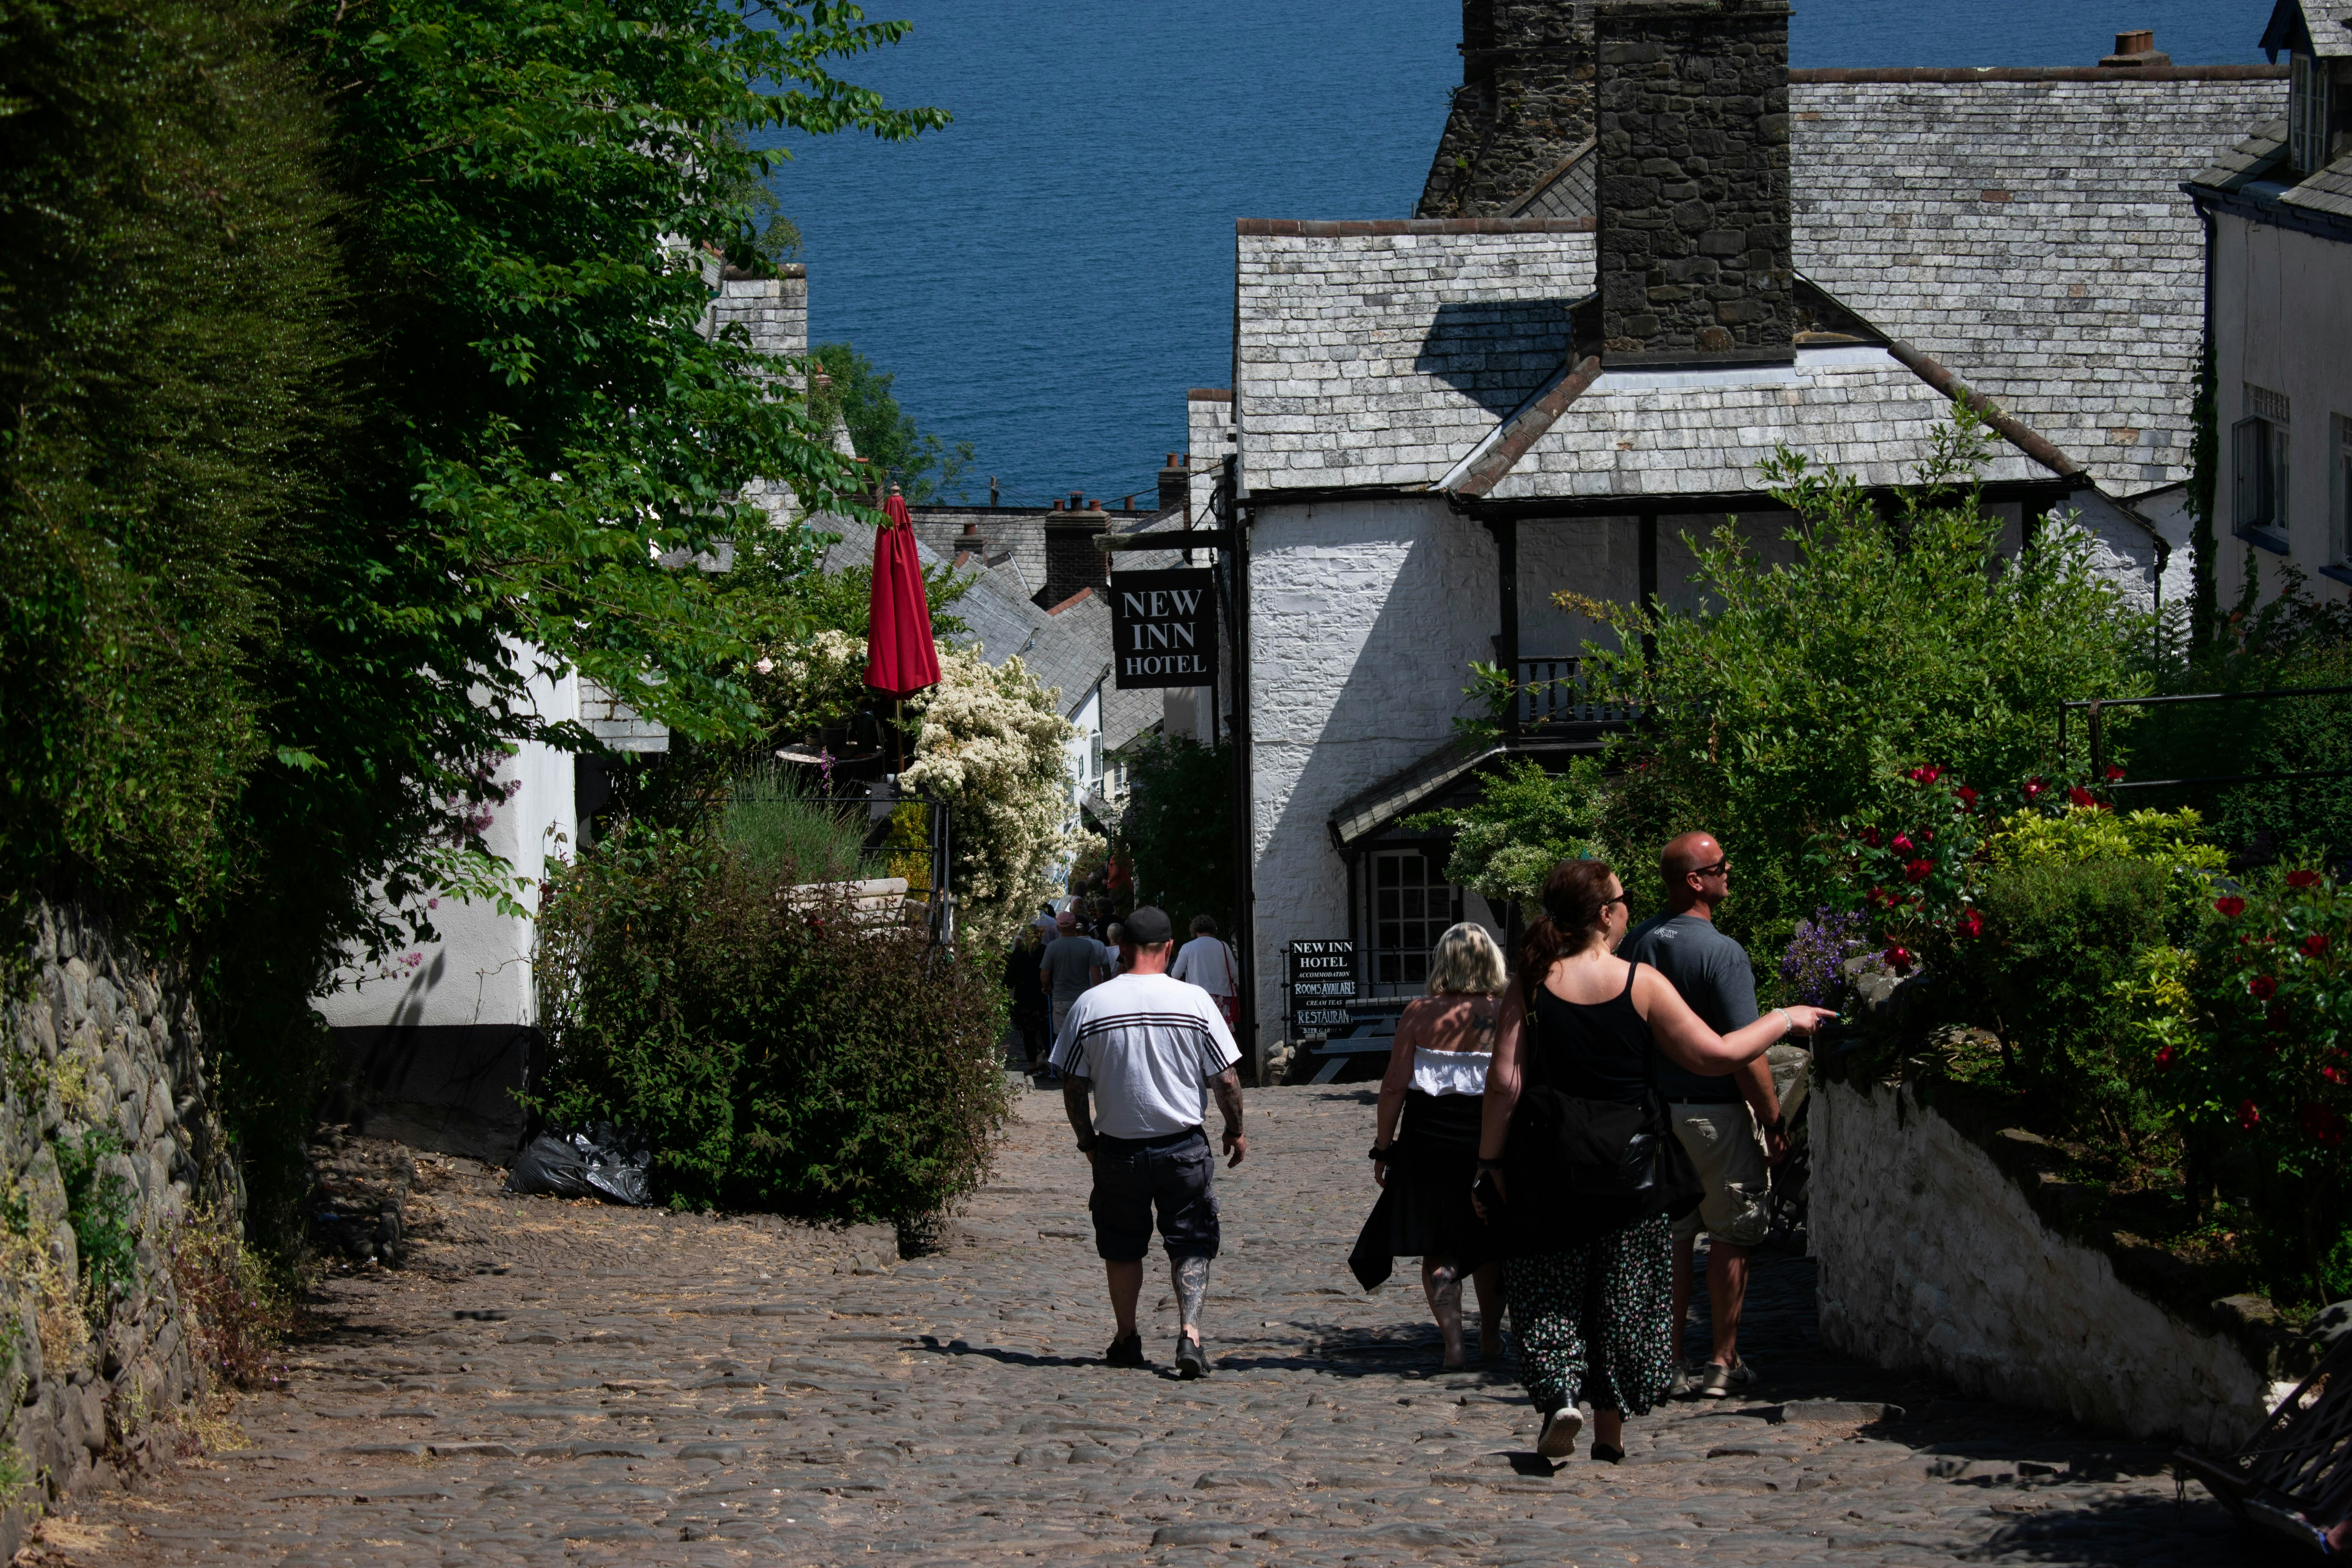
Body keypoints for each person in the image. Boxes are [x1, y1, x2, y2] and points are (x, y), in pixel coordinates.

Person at [1476, 859, 1832, 1464]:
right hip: (1629, 1165)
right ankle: (1609, 1439)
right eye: (1623, 898)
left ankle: (1561, 1393)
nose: (1626, 907)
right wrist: (1783, 1019)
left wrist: (1491, 1163)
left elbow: (1505, 1084)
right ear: (1606, 914)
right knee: (1621, 1298)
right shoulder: (1640, 983)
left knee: (1550, 1287)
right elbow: (1715, 1055)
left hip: (1547, 1162)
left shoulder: (1531, 982)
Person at [1051, 905, 1247, 1378]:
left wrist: (1088, 1144)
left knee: (1121, 1246)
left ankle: (1127, 1336)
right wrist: (1235, 1130)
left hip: (1118, 1149)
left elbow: (1073, 1086)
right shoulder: (1195, 1002)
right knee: (1191, 1241)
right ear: (1169, 949)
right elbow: (1225, 1078)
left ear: (1120, 948)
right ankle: (1190, 1336)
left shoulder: (1092, 1005)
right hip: (1183, 1146)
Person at [1623, 831, 1785, 1400]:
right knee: (1731, 1232)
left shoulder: (1636, 942)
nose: (1728, 872)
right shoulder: (1722, 952)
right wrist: (1771, 1117)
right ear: (1696, 881)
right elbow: (1746, 1049)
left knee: (1672, 1239)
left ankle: (1668, 1361)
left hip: (1653, 1114)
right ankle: (1722, 1360)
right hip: (1712, 1110)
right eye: (1720, 866)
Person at [1350, 922, 1507, 1369]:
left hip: (1428, 1143)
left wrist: (1384, 1147)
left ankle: (1454, 1345)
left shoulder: (1420, 1013)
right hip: (1488, 1141)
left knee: (1438, 1242)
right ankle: (1492, 1338)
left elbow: (1394, 1086)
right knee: (1491, 1240)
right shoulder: (1506, 1012)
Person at [1040, 911, 1105, 1070]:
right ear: (1074, 925)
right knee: (1083, 1034)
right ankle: (1083, 1066)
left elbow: (1045, 973)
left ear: (1058, 927)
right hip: (1082, 999)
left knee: (1063, 1036)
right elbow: (1097, 974)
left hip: (1061, 999)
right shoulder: (1087, 946)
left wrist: (1046, 986)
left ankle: (1066, 1068)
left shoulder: (1052, 947)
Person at [1170, 914, 1241, 1030]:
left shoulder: (1188, 947)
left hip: (1198, 997)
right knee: (1221, 1033)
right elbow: (1234, 973)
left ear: (1195, 930)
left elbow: (1176, 974)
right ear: (1213, 929)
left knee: (1201, 1032)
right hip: (1222, 996)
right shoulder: (1223, 946)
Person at [1005, 924, 1051, 1071]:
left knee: (1029, 1035)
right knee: (1047, 1034)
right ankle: (1051, 1065)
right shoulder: (1045, 951)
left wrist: (1003, 990)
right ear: (1040, 935)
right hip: (1043, 997)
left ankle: (1032, 1065)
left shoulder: (1019, 952)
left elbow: (1010, 976)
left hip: (1024, 998)